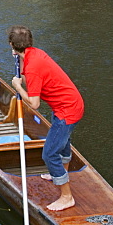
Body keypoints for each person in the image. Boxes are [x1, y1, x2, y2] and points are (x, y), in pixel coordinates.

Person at [8, 25, 84, 212]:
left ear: (12, 44)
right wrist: (20, 68)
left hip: (67, 111)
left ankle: (67, 197)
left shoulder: (32, 66)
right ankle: (62, 172)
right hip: (68, 105)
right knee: (63, 143)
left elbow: (34, 104)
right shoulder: (35, 54)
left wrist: (17, 87)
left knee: (49, 154)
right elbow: (34, 83)